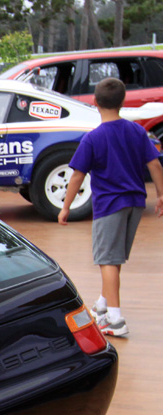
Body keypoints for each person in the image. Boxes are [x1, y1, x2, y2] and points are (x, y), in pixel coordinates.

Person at [58, 77, 163, 337]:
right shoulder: (137, 131)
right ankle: (103, 305)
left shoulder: (92, 138)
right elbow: (155, 165)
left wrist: (65, 207)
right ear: (123, 101)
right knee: (114, 258)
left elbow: (77, 176)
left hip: (109, 206)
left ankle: (115, 320)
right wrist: (161, 195)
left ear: (95, 103)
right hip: (135, 204)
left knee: (107, 260)